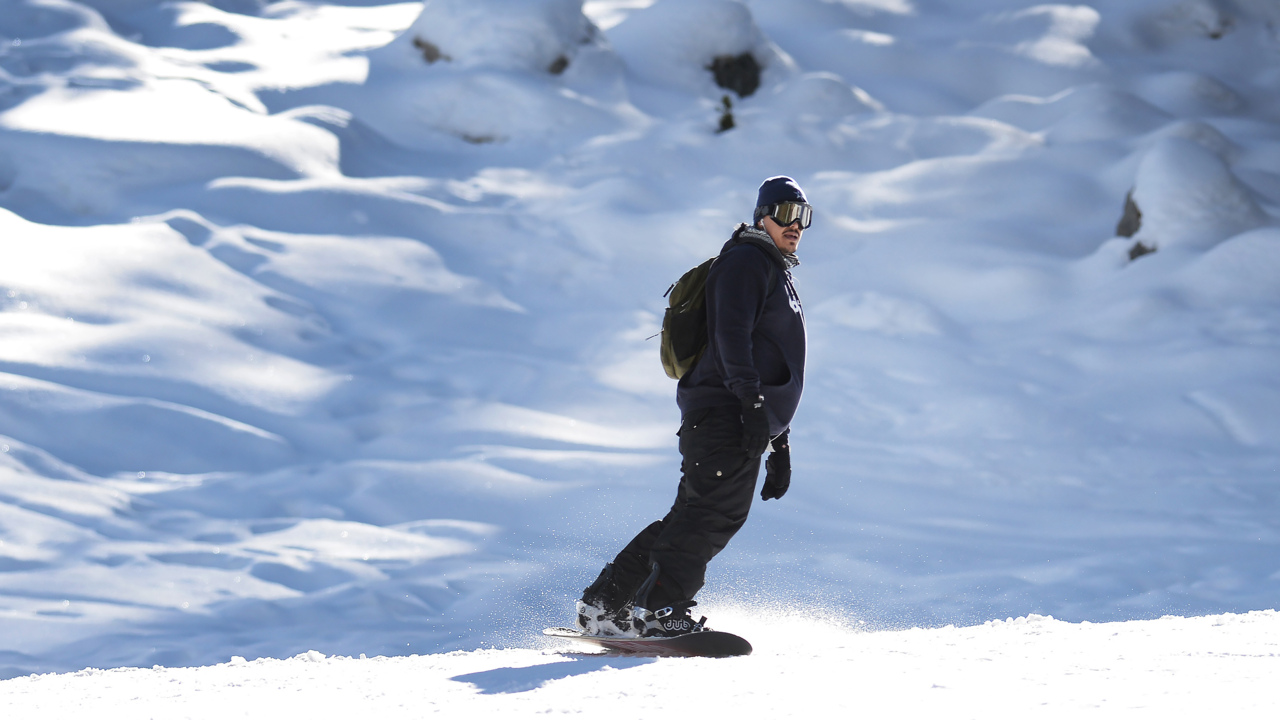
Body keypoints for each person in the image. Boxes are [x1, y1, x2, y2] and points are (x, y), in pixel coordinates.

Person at [577, 176, 810, 638]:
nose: (796, 224)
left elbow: (770, 358)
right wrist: (750, 403)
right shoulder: (747, 260)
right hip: (727, 411)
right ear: (762, 215)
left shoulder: (770, 268)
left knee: (692, 515)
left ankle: (605, 604)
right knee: (711, 516)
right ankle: (661, 611)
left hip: (735, 413)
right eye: (786, 212)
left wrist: (779, 443)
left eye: (804, 216)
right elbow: (730, 337)